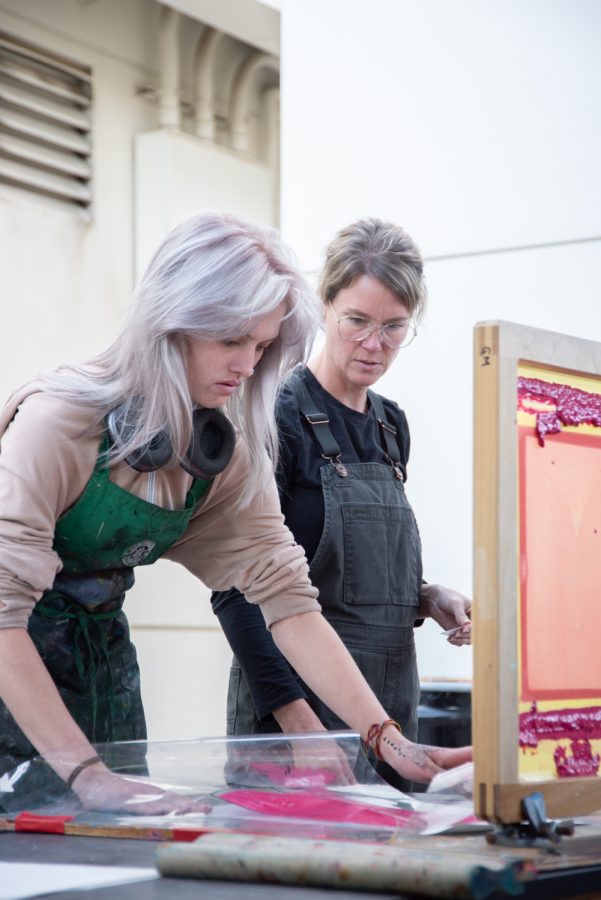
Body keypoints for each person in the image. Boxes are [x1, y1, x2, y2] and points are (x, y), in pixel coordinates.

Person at [0, 211, 469, 815]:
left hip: (101, 664)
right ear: (171, 324)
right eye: (230, 341)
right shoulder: (55, 425)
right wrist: (88, 774)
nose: (249, 366)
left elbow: (289, 603)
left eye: (261, 345)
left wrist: (388, 740)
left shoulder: (223, 452)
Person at [211, 217, 472, 790]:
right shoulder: (275, 416)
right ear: (324, 305)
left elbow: (354, 574)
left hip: (390, 712)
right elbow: (237, 592)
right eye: (357, 320)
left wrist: (426, 596)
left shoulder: (390, 426)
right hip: (293, 721)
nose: (374, 345)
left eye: (394, 328)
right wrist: (301, 730)